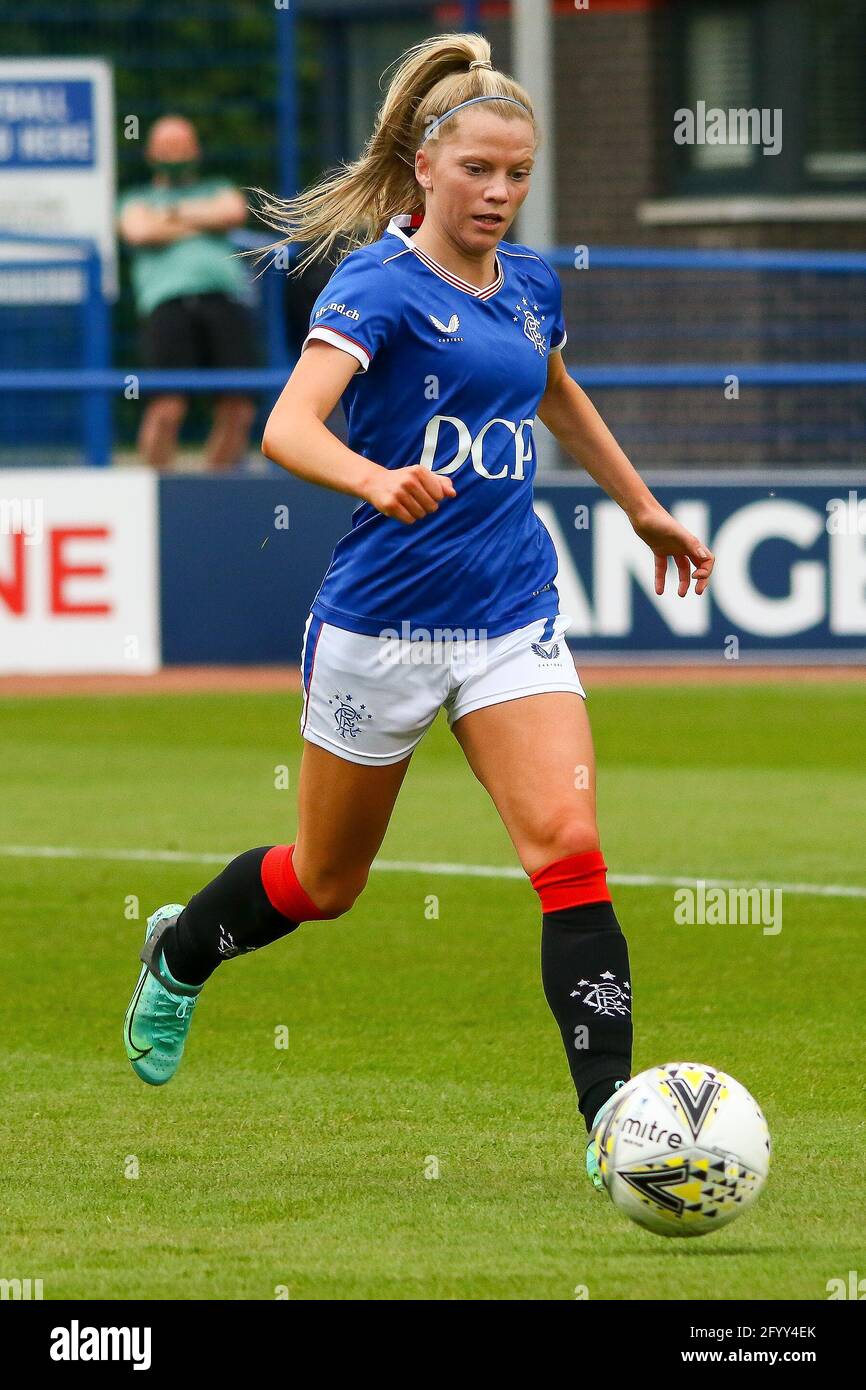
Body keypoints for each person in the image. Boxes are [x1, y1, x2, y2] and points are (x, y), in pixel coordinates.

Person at [122, 35, 714, 1195]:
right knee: (322, 884)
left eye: (517, 175)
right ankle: (181, 950)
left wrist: (641, 506)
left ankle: (609, 1127)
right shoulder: (375, 287)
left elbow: (550, 390)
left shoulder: (530, 282)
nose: (499, 193)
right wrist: (370, 478)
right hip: (381, 627)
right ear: (425, 166)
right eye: (480, 171)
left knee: (570, 852)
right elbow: (291, 427)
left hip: (508, 614)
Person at [117, 115, 258, 471]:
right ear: (150, 152)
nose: (174, 154)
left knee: (238, 407)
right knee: (166, 407)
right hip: (166, 306)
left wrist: (169, 216)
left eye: (181, 146)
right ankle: (155, 493)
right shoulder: (136, 197)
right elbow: (138, 231)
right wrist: (202, 223)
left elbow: (232, 211)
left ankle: (214, 495)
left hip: (224, 301)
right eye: (167, 147)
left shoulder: (218, 187)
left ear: (195, 151)